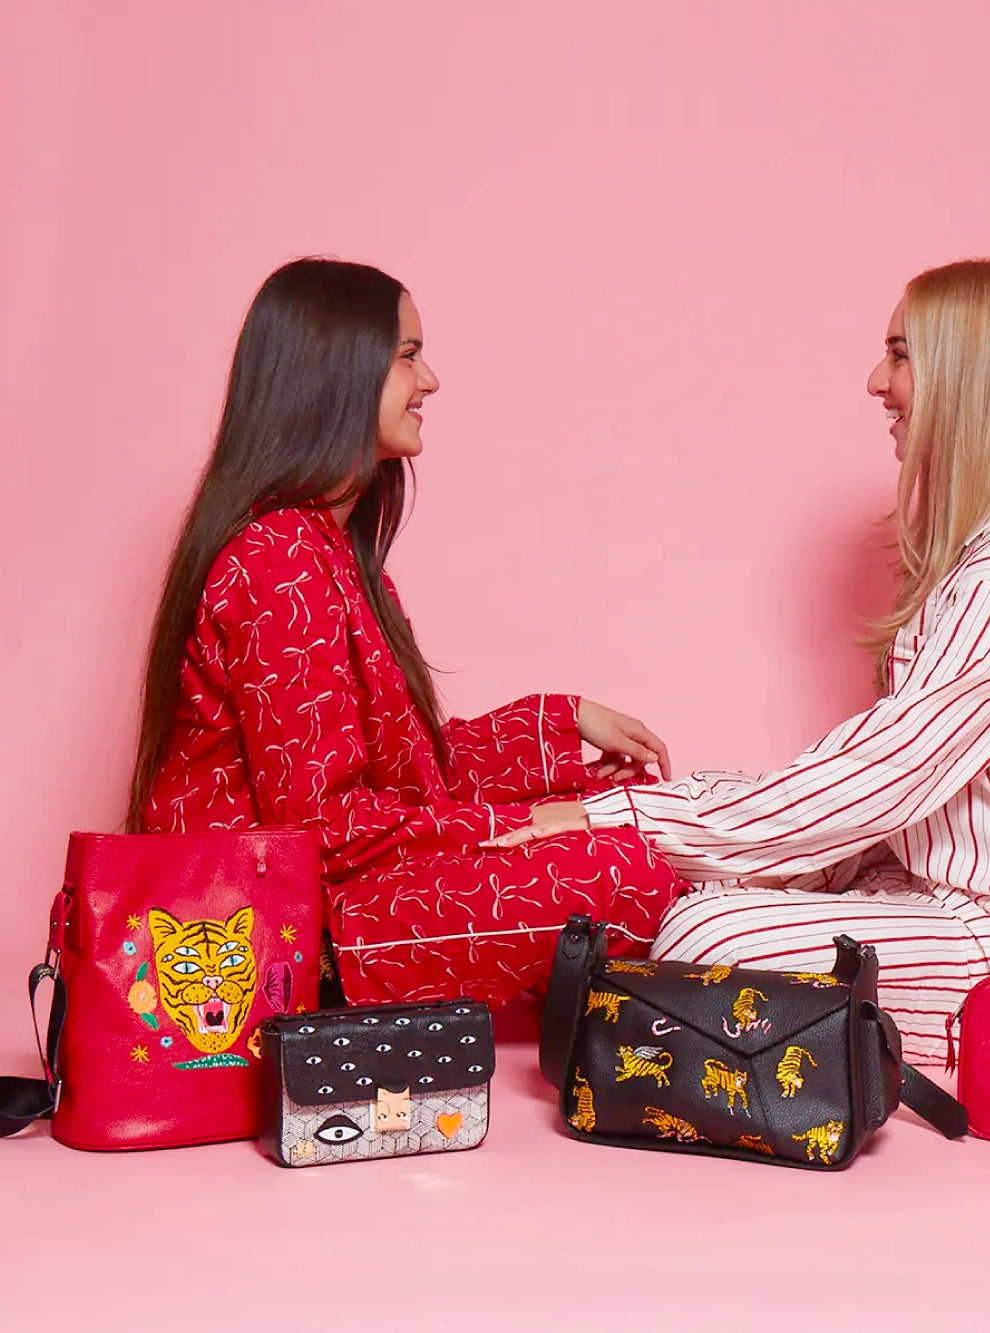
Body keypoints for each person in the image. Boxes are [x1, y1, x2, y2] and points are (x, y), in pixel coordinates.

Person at [497, 260, 990, 1064]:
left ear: (970, 377)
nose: (878, 380)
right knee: (699, 891)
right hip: (931, 895)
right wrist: (660, 813)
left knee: (706, 927)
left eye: (901, 354)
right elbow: (879, 784)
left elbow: (879, 776)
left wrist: (634, 819)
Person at [129, 258, 681, 1006]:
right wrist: (535, 822)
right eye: (409, 356)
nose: (430, 382)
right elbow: (324, 831)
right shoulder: (278, 560)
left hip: (355, 894)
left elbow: (414, 778)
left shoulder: (335, 557)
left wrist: (560, 724)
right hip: (292, 932)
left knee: (636, 808)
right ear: (339, 372)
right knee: (633, 864)